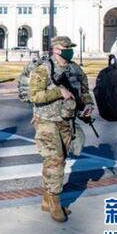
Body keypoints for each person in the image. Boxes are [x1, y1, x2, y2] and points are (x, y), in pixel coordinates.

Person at [28, 36, 94, 223]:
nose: (69, 50)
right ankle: (56, 202)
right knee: (55, 160)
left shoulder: (75, 69)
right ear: (56, 49)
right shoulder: (44, 69)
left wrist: (87, 107)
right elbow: (35, 95)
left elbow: (84, 91)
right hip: (47, 121)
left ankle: (47, 199)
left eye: (70, 47)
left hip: (67, 120)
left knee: (59, 161)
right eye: (65, 47)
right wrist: (59, 92)